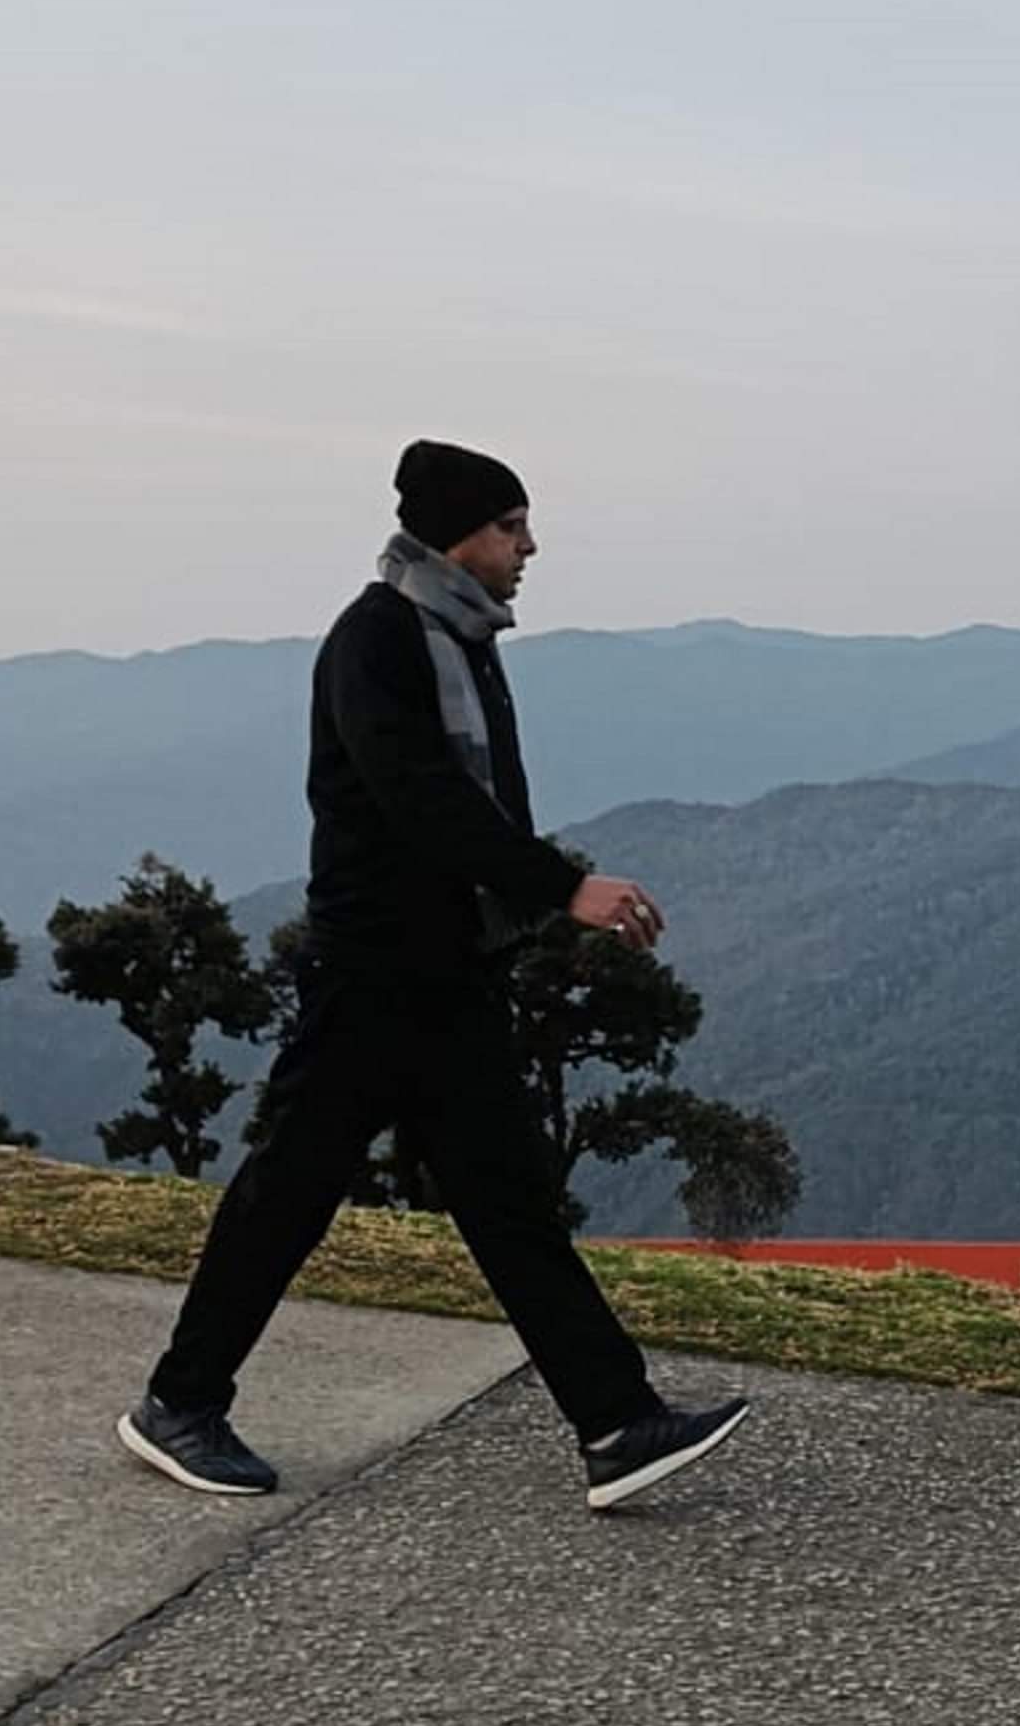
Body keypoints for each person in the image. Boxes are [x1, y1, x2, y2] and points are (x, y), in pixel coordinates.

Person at [117, 437, 750, 1514]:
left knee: (506, 1199)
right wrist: (564, 886)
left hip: (445, 974)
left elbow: (468, 807)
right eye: (512, 526)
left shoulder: (458, 637)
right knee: (292, 1189)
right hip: (372, 972)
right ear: (460, 533)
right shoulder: (378, 640)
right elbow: (426, 802)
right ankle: (179, 1403)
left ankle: (615, 1421)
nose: (530, 545)